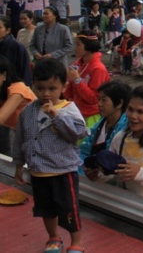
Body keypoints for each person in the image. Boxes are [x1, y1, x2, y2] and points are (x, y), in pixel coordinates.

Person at [12, 58, 88, 253]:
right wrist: (19, 164)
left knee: (69, 208)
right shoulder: (28, 111)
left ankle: (77, 243)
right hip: (38, 171)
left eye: (52, 88)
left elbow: (78, 134)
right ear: (33, 85)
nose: (46, 93)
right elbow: (20, 138)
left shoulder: (69, 109)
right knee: (45, 209)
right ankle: (53, 237)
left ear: (64, 86)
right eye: (40, 88)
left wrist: (56, 116)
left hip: (63, 171)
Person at [79, 81, 131, 174]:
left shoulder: (126, 127)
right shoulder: (100, 124)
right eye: (99, 99)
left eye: (104, 100)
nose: (99, 104)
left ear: (119, 103)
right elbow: (84, 149)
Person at [65, 31, 111, 128]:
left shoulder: (98, 69)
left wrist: (78, 80)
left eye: (78, 44)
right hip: (75, 112)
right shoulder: (77, 64)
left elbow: (94, 99)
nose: (75, 48)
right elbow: (68, 93)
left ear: (88, 46)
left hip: (91, 116)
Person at [0, 55, 36, 155]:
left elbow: (1, 118)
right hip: (18, 134)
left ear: (4, 75)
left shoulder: (18, 89)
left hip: (37, 137)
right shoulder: (2, 90)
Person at [0, 15, 32, 85]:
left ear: (8, 30)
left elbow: (25, 73)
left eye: (0, 27)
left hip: (13, 87)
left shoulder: (17, 47)